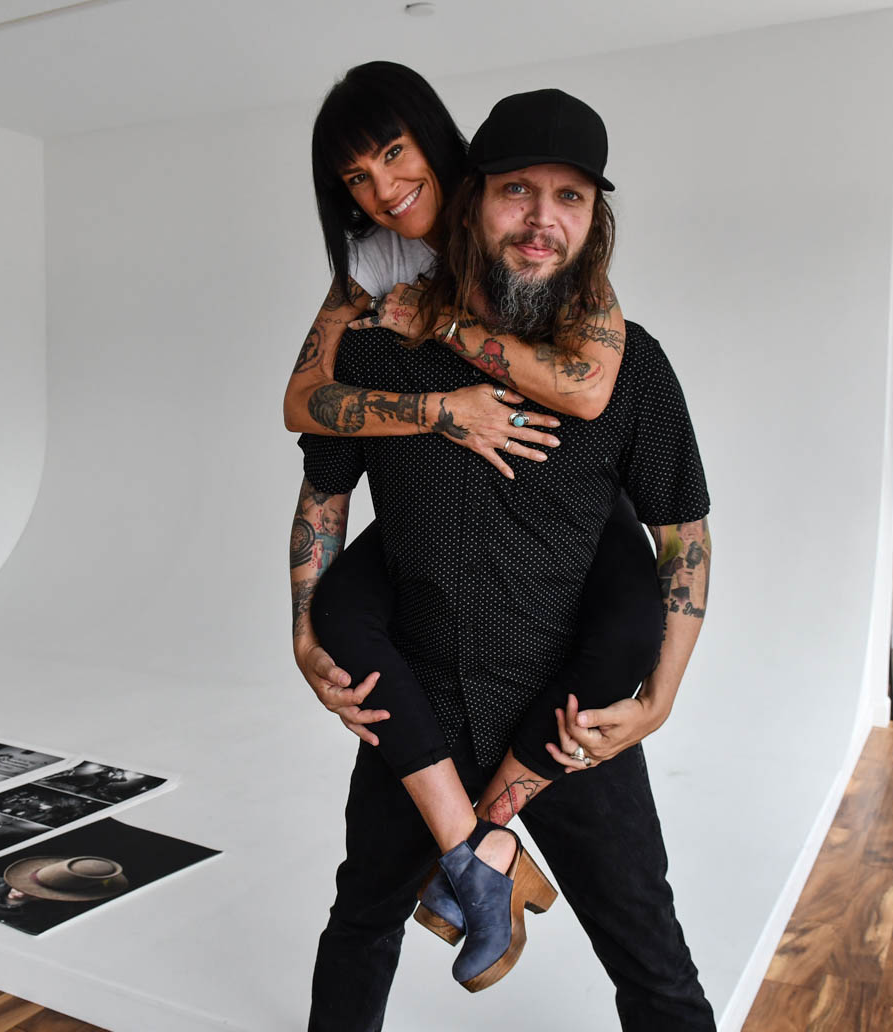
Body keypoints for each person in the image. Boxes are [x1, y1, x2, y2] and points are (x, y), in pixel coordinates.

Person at [296, 86, 716, 1029]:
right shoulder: (378, 348)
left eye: (569, 200)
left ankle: (482, 853)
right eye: (518, 191)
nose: (540, 220)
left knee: (653, 962)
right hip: (417, 703)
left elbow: (683, 535)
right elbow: (323, 491)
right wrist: (305, 634)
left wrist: (664, 694)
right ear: (475, 199)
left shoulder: (628, 362)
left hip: (573, 717)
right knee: (359, 927)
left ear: (593, 223)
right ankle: (484, 856)